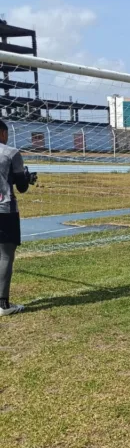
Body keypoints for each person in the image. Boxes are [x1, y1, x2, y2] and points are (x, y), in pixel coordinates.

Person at [0, 120, 37, 316]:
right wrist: (27, 178)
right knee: (5, 255)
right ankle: (3, 305)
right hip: (5, 210)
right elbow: (21, 187)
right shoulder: (11, 152)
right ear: (3, 133)